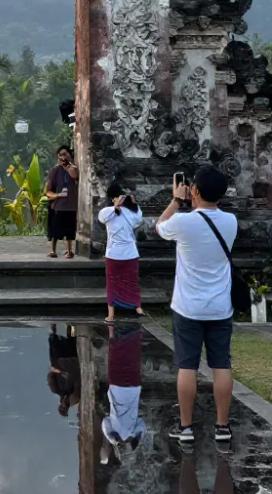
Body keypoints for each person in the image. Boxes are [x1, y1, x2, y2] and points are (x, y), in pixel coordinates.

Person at [156, 165, 237, 446]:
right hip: (220, 307)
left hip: (188, 307)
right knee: (221, 365)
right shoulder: (231, 222)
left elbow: (159, 227)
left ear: (195, 190)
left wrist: (176, 201)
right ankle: (223, 426)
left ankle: (187, 428)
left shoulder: (183, 222)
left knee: (187, 366)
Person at [98, 182, 144, 323]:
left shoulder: (130, 212)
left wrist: (134, 204)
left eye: (122, 196)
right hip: (114, 253)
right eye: (118, 197)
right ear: (113, 198)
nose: (121, 199)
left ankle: (137, 306)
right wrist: (116, 207)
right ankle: (111, 313)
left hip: (130, 252)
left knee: (132, 281)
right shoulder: (107, 212)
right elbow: (102, 218)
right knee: (112, 283)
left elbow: (139, 219)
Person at [101, 325, 146, 459]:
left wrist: (138, 438)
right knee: (115, 357)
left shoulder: (134, 432)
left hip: (133, 388)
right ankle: (113, 330)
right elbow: (105, 422)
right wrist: (112, 440)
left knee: (132, 359)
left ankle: (134, 331)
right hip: (116, 388)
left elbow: (142, 423)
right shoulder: (113, 433)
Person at [46, 145, 79, 259]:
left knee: (70, 231)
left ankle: (69, 250)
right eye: (61, 155)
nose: (63, 156)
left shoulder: (73, 168)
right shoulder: (54, 170)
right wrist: (57, 195)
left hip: (71, 205)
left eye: (65, 154)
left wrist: (66, 166)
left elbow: (75, 175)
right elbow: (48, 191)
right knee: (55, 230)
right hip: (59, 205)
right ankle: (52, 250)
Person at [47, 323, 81, 417]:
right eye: (65, 408)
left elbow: (50, 374)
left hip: (61, 364)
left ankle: (52, 329)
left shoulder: (56, 389)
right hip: (73, 364)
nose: (64, 406)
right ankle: (72, 325)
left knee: (54, 357)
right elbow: (78, 393)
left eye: (62, 407)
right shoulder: (74, 398)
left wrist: (57, 371)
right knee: (72, 339)